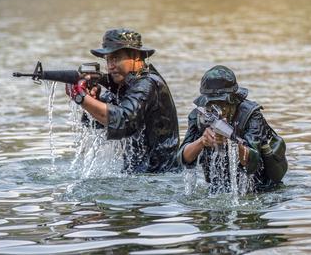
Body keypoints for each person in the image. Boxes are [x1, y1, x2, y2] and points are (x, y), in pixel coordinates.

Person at [65, 28, 179, 173]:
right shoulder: (123, 85)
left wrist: (81, 97)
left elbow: (123, 121)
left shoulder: (147, 83)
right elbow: (93, 123)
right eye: (108, 59)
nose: (111, 66)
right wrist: (95, 99)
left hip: (161, 177)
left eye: (116, 58)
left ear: (137, 57)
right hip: (138, 176)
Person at [177, 65, 287, 192]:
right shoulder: (198, 115)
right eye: (212, 104)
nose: (217, 109)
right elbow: (182, 158)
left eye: (222, 104)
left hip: (258, 190)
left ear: (233, 99)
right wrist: (202, 141)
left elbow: (253, 162)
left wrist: (233, 142)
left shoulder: (251, 116)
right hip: (217, 189)